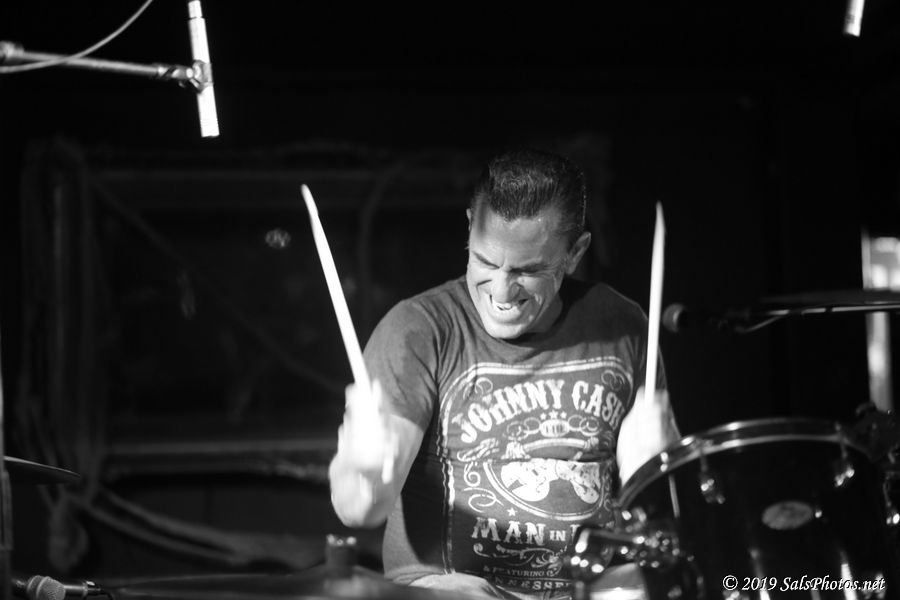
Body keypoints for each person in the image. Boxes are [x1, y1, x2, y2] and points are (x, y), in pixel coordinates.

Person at [328, 148, 680, 599]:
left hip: (589, 588)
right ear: (469, 226)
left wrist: (658, 471)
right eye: (486, 262)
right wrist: (364, 472)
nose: (501, 290)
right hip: (455, 590)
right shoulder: (418, 329)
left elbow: (662, 516)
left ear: (575, 252)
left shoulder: (622, 325)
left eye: (527, 271)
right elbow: (360, 512)